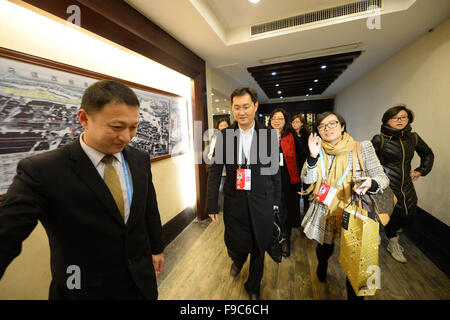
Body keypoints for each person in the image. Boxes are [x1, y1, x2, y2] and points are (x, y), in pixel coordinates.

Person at [0, 80, 164, 300]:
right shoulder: (42, 171)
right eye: (116, 127)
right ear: (84, 119)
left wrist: (157, 248)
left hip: (140, 284)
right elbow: (7, 232)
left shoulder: (139, 159)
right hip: (81, 288)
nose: (127, 137)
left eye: (133, 127)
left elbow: (148, 209)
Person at [301, 111, 389, 299]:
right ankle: (322, 263)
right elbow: (307, 179)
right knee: (324, 248)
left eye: (332, 124)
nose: (327, 129)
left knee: (359, 259)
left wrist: (371, 183)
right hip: (324, 207)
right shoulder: (317, 148)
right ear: (318, 131)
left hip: (357, 208)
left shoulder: (362, 147)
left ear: (342, 126)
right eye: (322, 126)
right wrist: (312, 156)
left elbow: (382, 178)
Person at [206, 87, 281, 300]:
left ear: (255, 106)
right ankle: (237, 259)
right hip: (235, 202)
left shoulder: (268, 135)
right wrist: (212, 204)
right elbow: (214, 172)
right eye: (237, 107)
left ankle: (253, 286)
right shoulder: (225, 136)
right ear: (232, 108)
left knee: (259, 245)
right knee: (235, 242)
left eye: (246, 106)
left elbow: (275, 171)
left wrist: (276, 201)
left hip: (262, 201)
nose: (241, 112)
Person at [371, 105, 434, 263]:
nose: (399, 121)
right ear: (387, 121)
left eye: (403, 117)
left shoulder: (414, 138)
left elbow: (427, 154)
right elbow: (370, 163)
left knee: (409, 213)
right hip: (387, 183)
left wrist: (421, 170)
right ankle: (393, 242)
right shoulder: (380, 139)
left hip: (406, 182)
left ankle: (391, 232)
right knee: (391, 214)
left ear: (408, 120)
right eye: (395, 118)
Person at [269, 108, 301, 257]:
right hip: (270, 180)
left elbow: (302, 154)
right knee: (274, 211)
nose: (276, 121)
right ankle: (275, 239)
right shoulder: (264, 136)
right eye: (274, 118)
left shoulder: (291, 135)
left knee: (287, 211)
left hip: (288, 180)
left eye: (280, 118)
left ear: (285, 121)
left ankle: (286, 241)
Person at [291, 114, 310, 215]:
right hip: (295, 165)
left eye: (297, 122)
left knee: (307, 188)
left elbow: (307, 151)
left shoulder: (307, 135)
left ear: (302, 123)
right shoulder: (289, 135)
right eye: (293, 122)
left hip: (306, 164)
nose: (294, 124)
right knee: (296, 189)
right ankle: (296, 212)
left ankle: (307, 210)